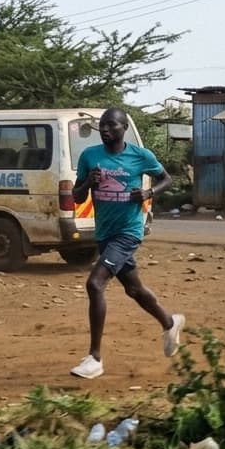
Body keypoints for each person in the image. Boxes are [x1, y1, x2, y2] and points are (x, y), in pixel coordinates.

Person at [69, 107, 185, 380]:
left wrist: (147, 192)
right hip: (105, 233)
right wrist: (87, 182)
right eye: (103, 126)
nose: (106, 130)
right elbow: (76, 196)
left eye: (112, 125)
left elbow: (166, 178)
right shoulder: (90, 156)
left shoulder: (139, 156)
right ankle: (170, 322)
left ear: (123, 129)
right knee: (134, 289)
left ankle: (94, 358)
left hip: (128, 231)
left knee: (95, 283)